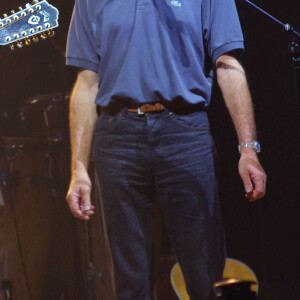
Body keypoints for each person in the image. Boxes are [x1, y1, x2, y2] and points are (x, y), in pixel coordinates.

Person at [65, 0, 267, 299]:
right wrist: (78, 169)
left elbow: (228, 65)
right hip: (118, 134)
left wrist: (248, 150)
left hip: (184, 132)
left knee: (204, 272)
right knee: (130, 280)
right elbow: (86, 82)